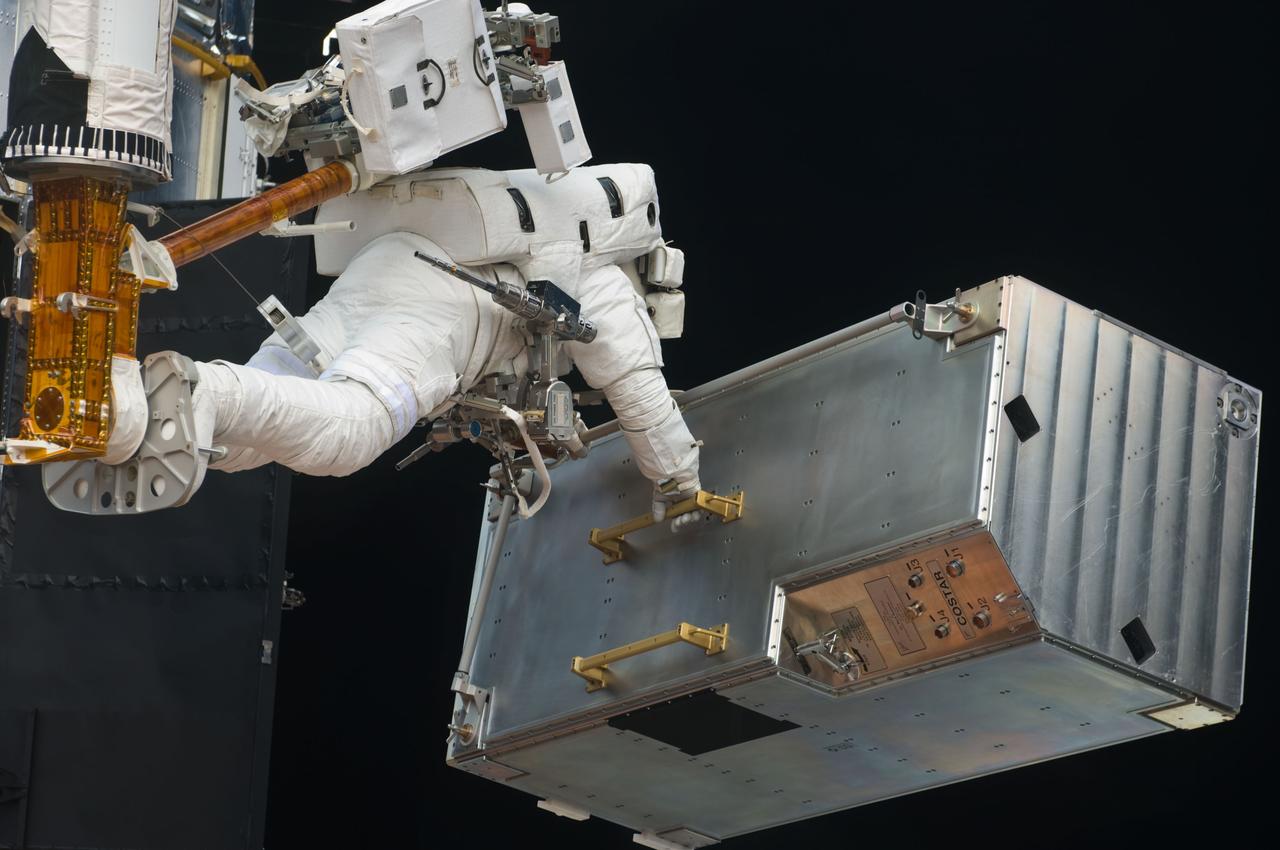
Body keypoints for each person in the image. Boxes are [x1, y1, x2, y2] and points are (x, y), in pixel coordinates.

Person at [112, 230, 701, 516]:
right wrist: (682, 486)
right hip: (440, 312)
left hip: (386, 267)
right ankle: (206, 389)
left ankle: (125, 418)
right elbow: (644, 402)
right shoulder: (604, 279)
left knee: (260, 430)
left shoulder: (543, 243)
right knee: (348, 433)